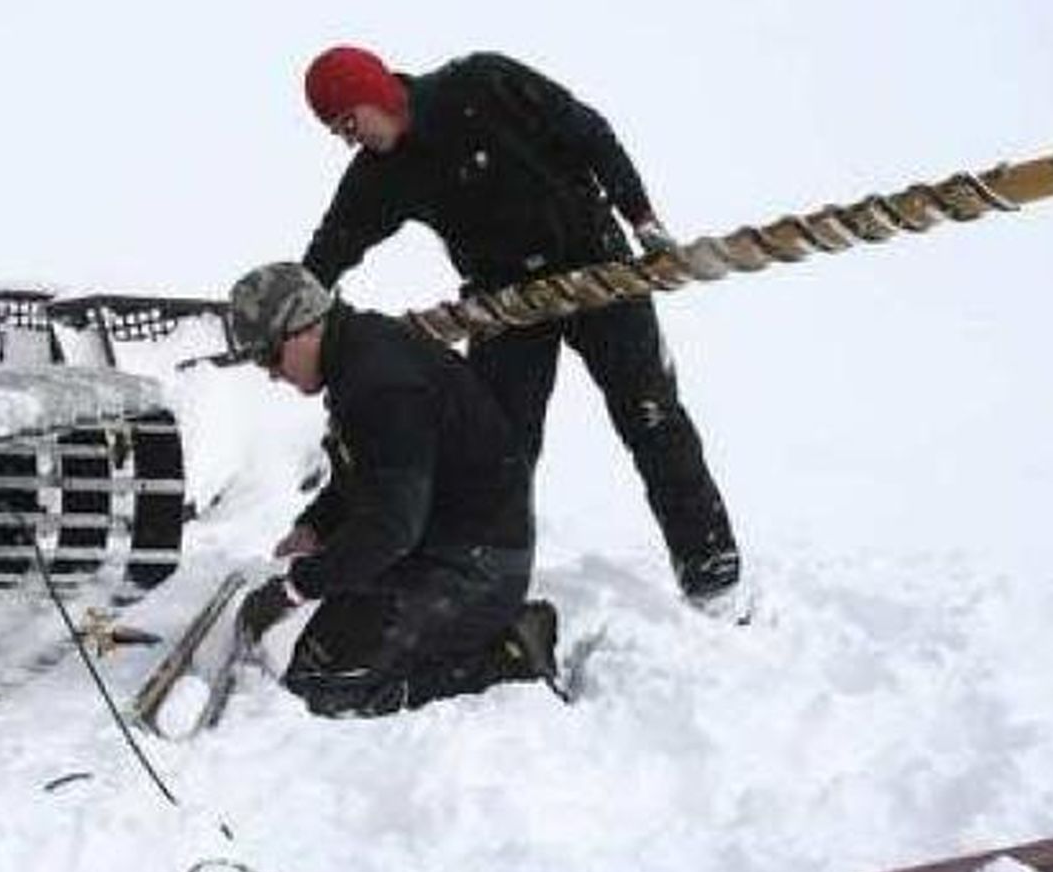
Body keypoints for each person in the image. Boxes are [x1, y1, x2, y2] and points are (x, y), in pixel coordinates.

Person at [298, 45, 744, 613]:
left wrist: (642, 218)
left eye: (348, 122)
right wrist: (294, 312)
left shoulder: (483, 85)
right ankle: (482, 578)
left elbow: (591, 134)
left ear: (373, 93)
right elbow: (332, 246)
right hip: (504, 305)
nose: (348, 138)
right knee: (497, 447)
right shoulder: (379, 176)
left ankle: (714, 574)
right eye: (337, 132)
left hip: (596, 269)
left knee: (651, 416)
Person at [227, 261, 558, 717]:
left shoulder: (381, 385)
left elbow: (391, 527)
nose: (270, 373)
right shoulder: (361, 354)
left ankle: (509, 656)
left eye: (268, 355)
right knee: (321, 643)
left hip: (476, 567)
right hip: (443, 542)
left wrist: (297, 588)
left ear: (303, 328)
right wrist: (316, 527)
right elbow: (368, 474)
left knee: (324, 684)